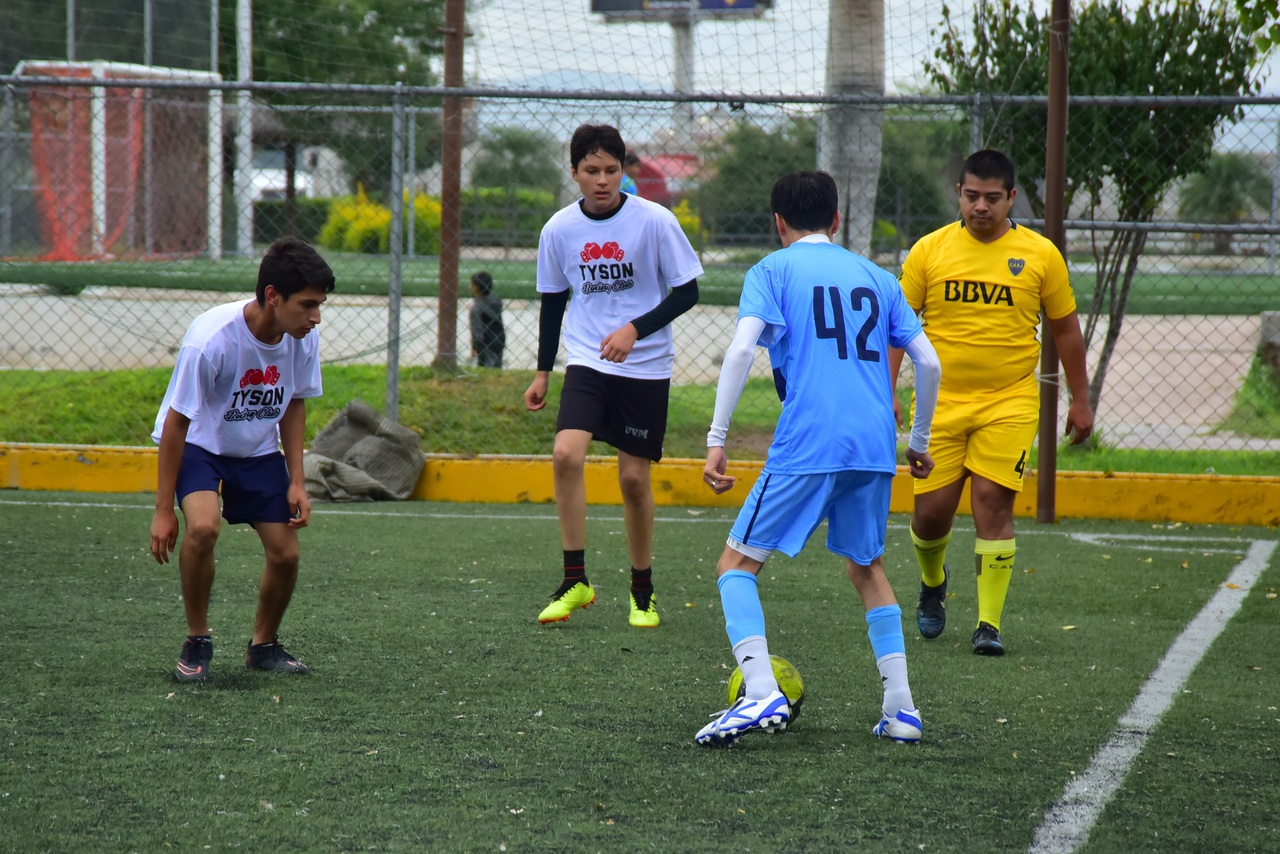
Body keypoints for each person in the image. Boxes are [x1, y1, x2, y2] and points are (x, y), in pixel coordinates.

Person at [696, 170, 942, 747]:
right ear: (836, 220)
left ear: (777, 222)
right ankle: (901, 710)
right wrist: (920, 442)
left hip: (811, 441)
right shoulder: (878, 278)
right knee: (869, 569)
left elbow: (738, 352)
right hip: (875, 446)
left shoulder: (771, 271)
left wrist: (717, 437)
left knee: (735, 567)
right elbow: (927, 363)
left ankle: (759, 693)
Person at [889, 149, 1093, 657]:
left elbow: (1065, 328)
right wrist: (885, 390)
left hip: (1010, 401)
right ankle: (933, 583)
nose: (981, 206)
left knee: (992, 505)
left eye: (992, 198)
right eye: (972, 196)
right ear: (958, 193)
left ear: (1011, 198)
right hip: (940, 405)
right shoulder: (928, 252)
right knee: (931, 515)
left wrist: (1081, 398)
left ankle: (988, 624)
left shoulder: (1041, 254)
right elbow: (897, 327)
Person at [523, 124, 702, 628]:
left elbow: (688, 293)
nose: (602, 180)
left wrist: (635, 329)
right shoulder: (558, 230)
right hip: (586, 360)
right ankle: (575, 579)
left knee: (631, 479)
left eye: (612, 170)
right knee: (565, 453)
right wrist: (542, 372)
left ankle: (641, 591)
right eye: (591, 170)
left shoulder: (655, 221)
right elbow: (553, 302)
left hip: (644, 367)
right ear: (575, 172)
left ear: (623, 171)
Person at [149, 237, 335, 683]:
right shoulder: (211, 339)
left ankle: (263, 647)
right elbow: (176, 425)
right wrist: (161, 511)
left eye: (320, 305)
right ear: (273, 295)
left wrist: (296, 480)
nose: (316, 316)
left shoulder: (300, 337)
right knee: (204, 528)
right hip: (200, 446)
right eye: (308, 304)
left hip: (256, 451)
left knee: (286, 554)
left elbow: (293, 404)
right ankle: (197, 640)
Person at [469, 270, 506, 368]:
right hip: (499, 338)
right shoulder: (496, 301)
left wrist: (475, 346)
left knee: (486, 366)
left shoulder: (476, 309)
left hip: (485, 342)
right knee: (497, 366)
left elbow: (477, 330)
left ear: (476, 288)